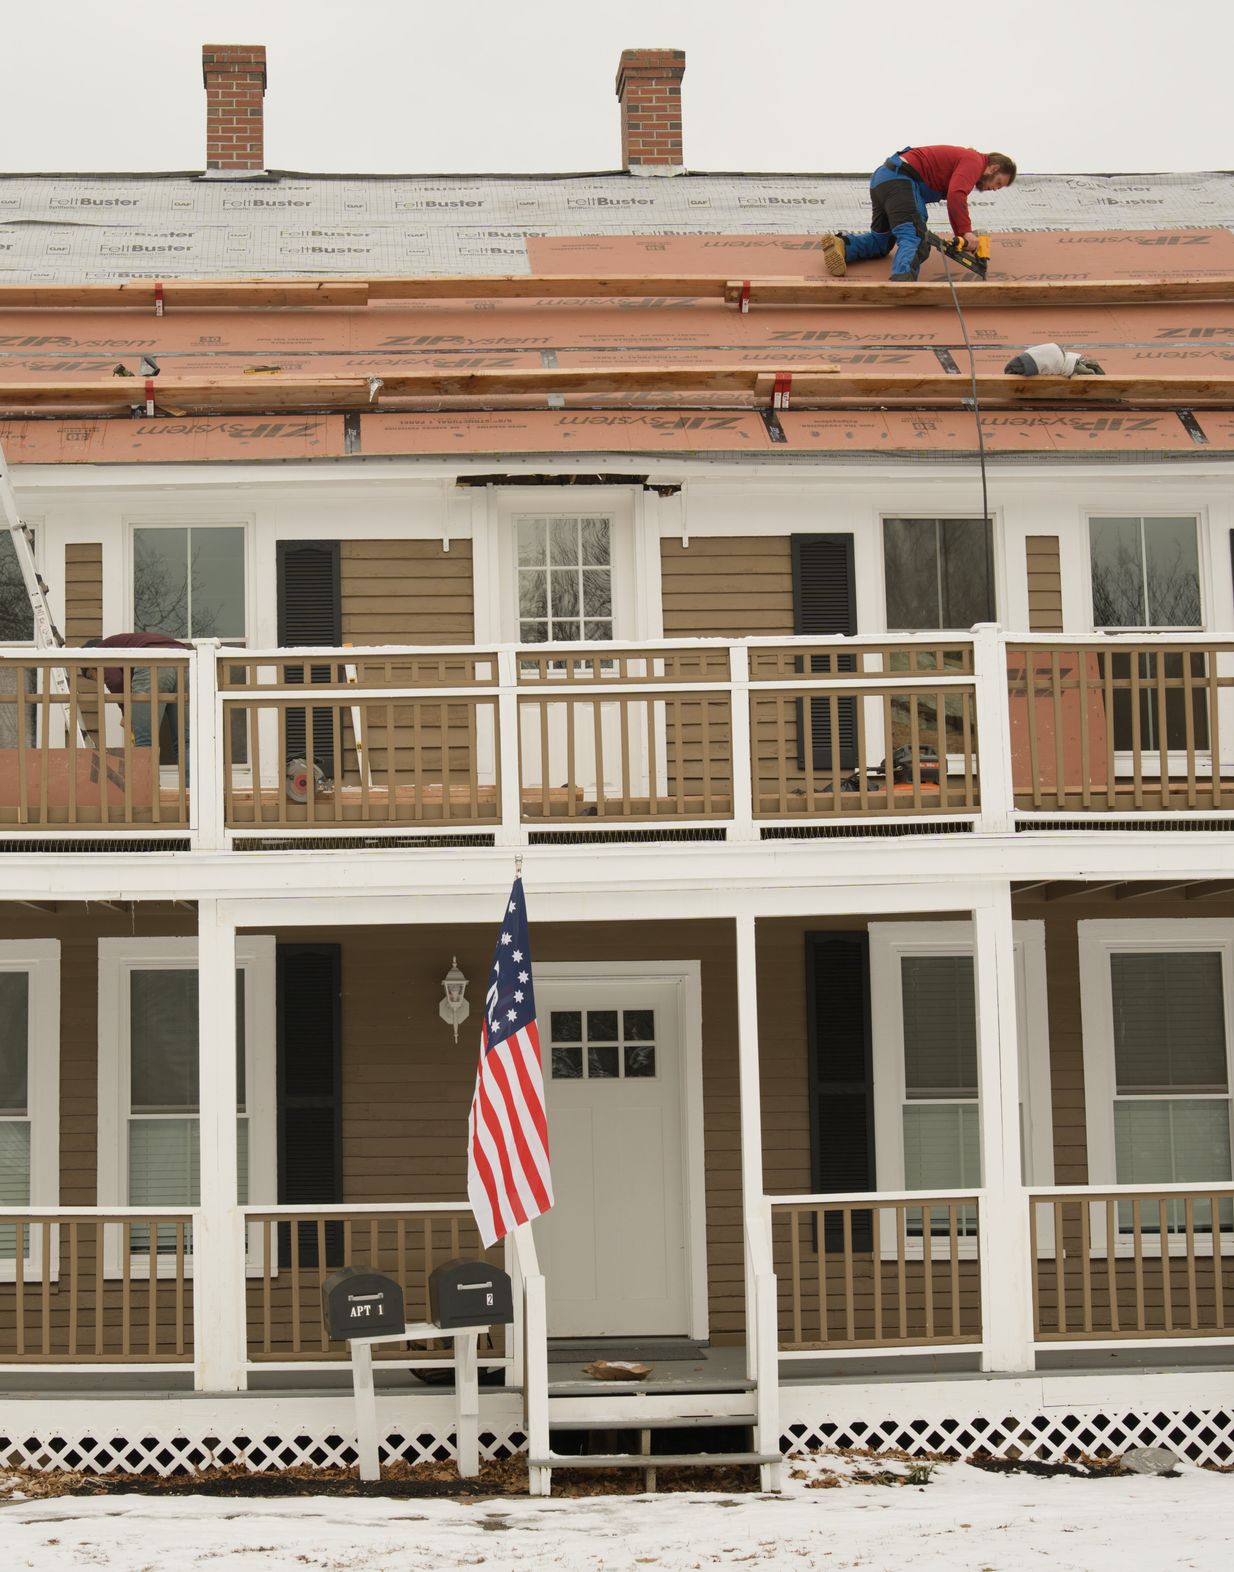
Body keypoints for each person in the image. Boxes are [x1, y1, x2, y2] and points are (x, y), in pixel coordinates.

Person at [821, 147, 1016, 283]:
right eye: (998, 183)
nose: (995, 189)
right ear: (994, 168)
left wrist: (962, 236)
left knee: (881, 243)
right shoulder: (974, 161)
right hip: (901, 180)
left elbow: (953, 195)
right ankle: (902, 282)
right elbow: (956, 194)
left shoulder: (966, 159)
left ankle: (844, 246)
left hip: (883, 179)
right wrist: (966, 232)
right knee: (915, 237)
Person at [82, 632, 189, 759]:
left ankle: (145, 772)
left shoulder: (101, 651)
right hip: (183, 659)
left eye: (90, 675)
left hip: (152, 660)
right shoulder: (121, 648)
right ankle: (193, 773)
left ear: (90, 662)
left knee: (144, 743)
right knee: (185, 744)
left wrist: (126, 713)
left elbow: (116, 681)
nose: (96, 680)